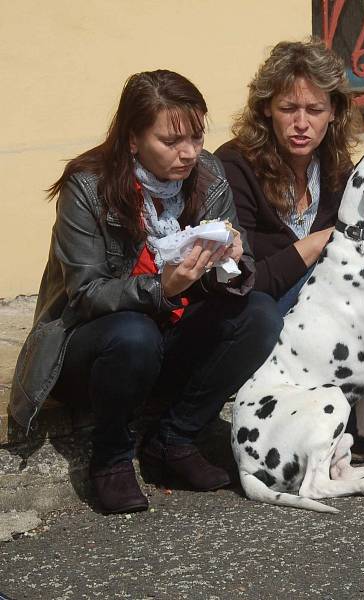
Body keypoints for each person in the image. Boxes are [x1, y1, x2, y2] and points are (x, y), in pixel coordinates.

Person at [9, 70, 283, 514]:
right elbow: (85, 292)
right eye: (171, 141)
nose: (189, 152)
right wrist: (162, 287)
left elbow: (235, 270)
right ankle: (112, 457)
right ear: (133, 140)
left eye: (196, 136)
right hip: (93, 346)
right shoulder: (87, 184)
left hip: (167, 339)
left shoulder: (209, 174)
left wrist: (230, 261)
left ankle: (173, 440)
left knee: (260, 314)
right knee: (135, 333)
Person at [214, 38, 364, 314]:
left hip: (329, 304)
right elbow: (243, 281)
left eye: (315, 110)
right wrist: (322, 240)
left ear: (334, 112)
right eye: (288, 109)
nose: (302, 124)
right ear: (266, 108)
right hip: (267, 313)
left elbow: (363, 234)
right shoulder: (233, 165)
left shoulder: (335, 164)